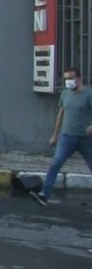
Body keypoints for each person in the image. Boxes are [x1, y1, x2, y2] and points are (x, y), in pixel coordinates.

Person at [33, 67, 92, 206]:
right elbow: (61, 114)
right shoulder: (65, 94)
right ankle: (44, 194)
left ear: (79, 79)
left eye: (71, 78)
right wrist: (54, 135)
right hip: (67, 137)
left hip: (86, 139)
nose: (68, 81)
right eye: (66, 79)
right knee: (56, 164)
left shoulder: (89, 94)